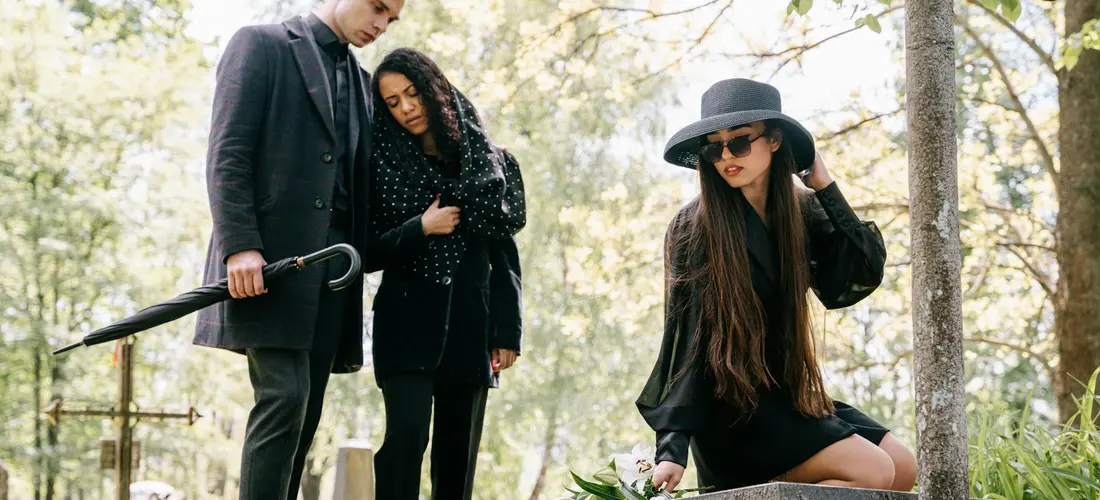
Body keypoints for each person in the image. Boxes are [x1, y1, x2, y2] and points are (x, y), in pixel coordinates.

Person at [636, 78, 917, 493]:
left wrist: (825, 187)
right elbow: (684, 340)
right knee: (873, 471)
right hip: (732, 412)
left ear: (774, 140)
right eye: (714, 147)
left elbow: (859, 273)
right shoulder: (694, 226)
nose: (725, 156)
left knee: (903, 468)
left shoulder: (801, 211)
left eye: (739, 142)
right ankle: (752, 493)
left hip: (789, 399)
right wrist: (672, 448)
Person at [192, 1, 404, 498]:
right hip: (272, 263)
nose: (380, 25)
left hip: (335, 273)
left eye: (391, 19)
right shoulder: (260, 44)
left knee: (305, 415)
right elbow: (228, 151)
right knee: (285, 398)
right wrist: (240, 246)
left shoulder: (364, 83)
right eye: (377, 7)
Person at [366, 47, 526, 499]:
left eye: (412, 94)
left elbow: (504, 256)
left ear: (434, 90)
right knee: (406, 438)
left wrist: (507, 331)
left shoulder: (490, 165)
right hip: (404, 327)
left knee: (457, 456)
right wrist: (420, 227)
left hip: (471, 330)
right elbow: (367, 252)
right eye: (393, 102)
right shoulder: (382, 166)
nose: (406, 108)